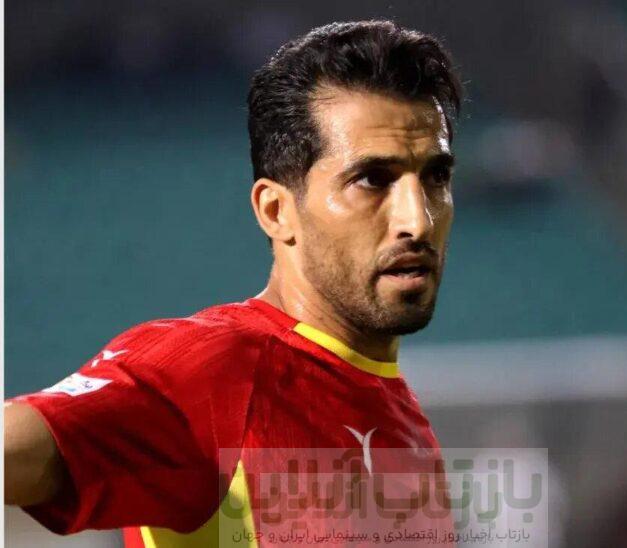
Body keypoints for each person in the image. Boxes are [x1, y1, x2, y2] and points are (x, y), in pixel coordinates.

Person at [5, 20, 462, 547]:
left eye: (435, 176)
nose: (418, 219)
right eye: (372, 180)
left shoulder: (402, 420)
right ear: (276, 211)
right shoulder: (215, 369)